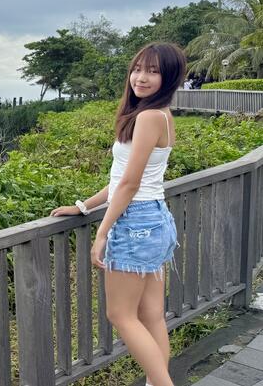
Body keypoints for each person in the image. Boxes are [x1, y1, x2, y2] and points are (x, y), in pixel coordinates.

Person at [50, 42, 186, 386]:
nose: (141, 77)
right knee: (151, 315)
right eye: (138, 68)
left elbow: (129, 183)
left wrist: (102, 232)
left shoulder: (148, 117)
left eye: (153, 71)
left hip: (136, 223)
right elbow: (121, 178)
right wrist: (83, 207)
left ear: (168, 78)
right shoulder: (161, 115)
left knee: (120, 315)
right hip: (156, 220)